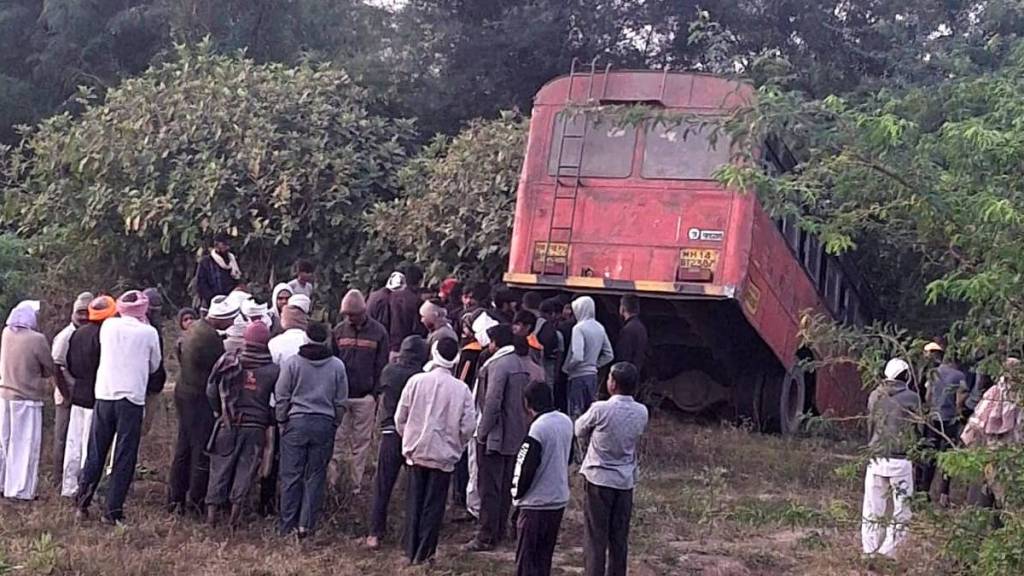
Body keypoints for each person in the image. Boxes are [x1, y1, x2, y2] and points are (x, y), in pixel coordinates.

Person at [76, 291, 161, 523]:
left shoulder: (108, 327)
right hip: (131, 399)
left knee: (96, 451)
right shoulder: (149, 332)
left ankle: (82, 503)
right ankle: (112, 511)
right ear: (144, 309)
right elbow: (155, 365)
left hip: (104, 394)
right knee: (124, 456)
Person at [396, 338, 477, 564]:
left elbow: (400, 417)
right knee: (434, 507)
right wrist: (457, 445)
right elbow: (469, 426)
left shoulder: (416, 381)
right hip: (444, 456)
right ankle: (426, 553)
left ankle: (410, 552)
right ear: (456, 359)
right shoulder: (461, 389)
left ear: (434, 353)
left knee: (414, 503)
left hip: (416, 451)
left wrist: (409, 437)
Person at [276, 322, 349, 538]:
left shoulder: (292, 364)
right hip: (324, 424)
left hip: (296, 423)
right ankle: (305, 526)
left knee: (291, 475)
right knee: (315, 476)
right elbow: (341, 401)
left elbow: (282, 395)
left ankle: (287, 525)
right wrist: (334, 422)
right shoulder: (337, 366)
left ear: (305, 338)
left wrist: (282, 421)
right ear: (326, 339)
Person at [576, 362, 649, 576]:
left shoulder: (601, 408)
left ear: (613, 384)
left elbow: (579, 428)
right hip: (625, 479)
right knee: (619, 537)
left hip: (599, 477)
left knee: (596, 537)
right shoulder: (641, 411)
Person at [205, 322, 280, 527]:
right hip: (255, 428)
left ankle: (211, 518)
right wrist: (268, 418)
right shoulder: (273, 370)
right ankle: (233, 520)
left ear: (245, 340)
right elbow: (278, 402)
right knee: (245, 472)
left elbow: (211, 390)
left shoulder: (228, 360)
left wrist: (220, 411)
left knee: (220, 468)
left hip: (227, 423)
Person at [169, 295, 238, 515]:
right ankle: (196, 501)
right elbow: (219, 369)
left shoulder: (195, 328)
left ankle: (175, 498)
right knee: (201, 449)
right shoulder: (210, 339)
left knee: (183, 446)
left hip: (184, 391)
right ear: (220, 320)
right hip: (198, 398)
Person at [467, 324, 532, 552]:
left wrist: (481, 433)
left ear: (496, 343)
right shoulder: (520, 363)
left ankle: (485, 535)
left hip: (495, 436)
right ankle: (500, 530)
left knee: (489, 487)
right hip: (516, 434)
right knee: (505, 486)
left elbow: (492, 403)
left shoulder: (498, 365)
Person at [367, 335, 429, 550]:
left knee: (383, 485)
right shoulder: (423, 377)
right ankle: (410, 535)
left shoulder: (389, 371)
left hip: (390, 432)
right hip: (415, 435)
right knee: (415, 487)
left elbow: (381, 391)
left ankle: (375, 533)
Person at [860, 358, 922, 558]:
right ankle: (889, 552)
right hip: (901, 460)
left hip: (876, 457)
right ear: (905, 376)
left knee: (872, 508)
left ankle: (869, 550)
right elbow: (919, 429)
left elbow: (870, 426)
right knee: (901, 509)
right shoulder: (912, 398)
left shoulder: (874, 395)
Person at [331, 290, 389, 493]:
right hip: (342, 397)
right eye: (346, 315)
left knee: (361, 444)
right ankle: (332, 483)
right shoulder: (338, 331)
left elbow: (382, 365)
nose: (349, 319)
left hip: (365, 397)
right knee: (336, 442)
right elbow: (332, 362)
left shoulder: (379, 332)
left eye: (352, 315)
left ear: (363, 312)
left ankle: (355, 486)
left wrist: (374, 394)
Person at [513, 381, 573, 576]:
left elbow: (525, 467)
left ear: (527, 403)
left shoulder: (537, 428)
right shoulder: (566, 421)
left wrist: (516, 495)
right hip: (558, 499)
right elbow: (570, 456)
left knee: (526, 561)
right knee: (543, 559)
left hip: (535, 504)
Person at [62, 296, 116, 498]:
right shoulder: (105, 336)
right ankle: (87, 490)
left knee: (73, 444)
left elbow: (69, 363)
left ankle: (68, 487)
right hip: (96, 395)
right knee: (90, 445)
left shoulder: (77, 334)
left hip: (78, 394)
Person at [0, 301, 54, 500]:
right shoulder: (37, 339)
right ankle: (20, 492)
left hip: (5, 396)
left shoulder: (6, 334)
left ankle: (3, 484)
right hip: (26, 399)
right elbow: (49, 367)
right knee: (25, 445)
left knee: (5, 442)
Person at [961, 358, 1024, 509]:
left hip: (994, 452)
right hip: (1007, 454)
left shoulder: (995, 392)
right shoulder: (1013, 395)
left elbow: (975, 424)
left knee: (989, 491)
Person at [564, 296, 614, 456]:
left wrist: (567, 368)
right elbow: (609, 354)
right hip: (592, 376)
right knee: (590, 416)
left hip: (577, 377)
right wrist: (594, 365)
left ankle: (576, 454)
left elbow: (577, 356)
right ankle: (589, 451)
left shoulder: (579, 328)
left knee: (575, 415)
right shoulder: (600, 327)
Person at [52, 292, 93, 487]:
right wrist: (68, 393)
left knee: (75, 441)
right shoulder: (66, 336)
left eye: (87, 312)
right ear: (72, 313)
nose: (84, 317)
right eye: (80, 313)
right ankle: (58, 481)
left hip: (79, 396)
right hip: (67, 396)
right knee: (63, 440)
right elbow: (56, 368)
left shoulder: (85, 334)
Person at [920, 341, 967, 506]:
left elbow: (928, 396)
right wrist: (959, 414)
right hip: (949, 420)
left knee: (930, 456)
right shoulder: (959, 376)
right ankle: (944, 495)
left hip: (933, 418)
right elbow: (960, 398)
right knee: (948, 458)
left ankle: (924, 491)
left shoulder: (934, 373)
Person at [196, 233, 242, 309]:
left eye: (228, 244)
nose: (227, 246)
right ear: (216, 245)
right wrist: (213, 300)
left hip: (232, 302)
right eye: (224, 244)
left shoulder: (232, 260)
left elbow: (238, 279)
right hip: (212, 304)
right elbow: (201, 284)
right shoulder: (206, 262)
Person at [615, 295, 648, 375]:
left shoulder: (627, 330)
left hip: (626, 376)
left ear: (622, 308)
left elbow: (623, 355)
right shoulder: (641, 327)